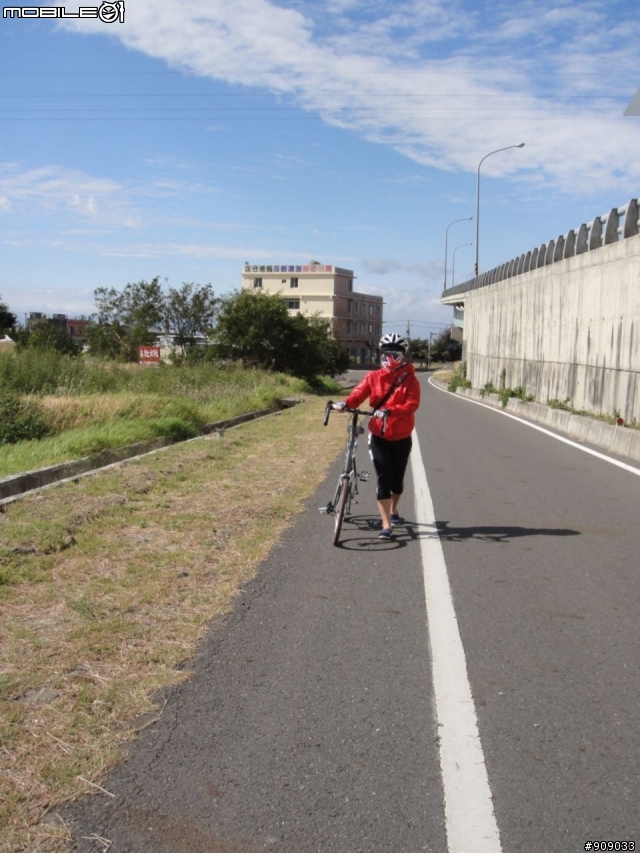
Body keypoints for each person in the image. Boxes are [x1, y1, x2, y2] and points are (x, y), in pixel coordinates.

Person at [333, 333, 421, 540]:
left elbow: (412, 405)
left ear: (403, 355)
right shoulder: (373, 377)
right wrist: (346, 404)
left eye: (395, 353)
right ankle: (386, 525)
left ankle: (394, 509)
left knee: (397, 481)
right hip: (379, 435)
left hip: (401, 436)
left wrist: (392, 411)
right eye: (386, 353)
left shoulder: (411, 380)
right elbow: (358, 394)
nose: (389, 358)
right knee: (383, 478)